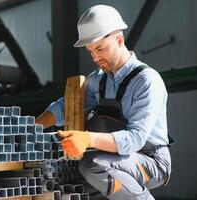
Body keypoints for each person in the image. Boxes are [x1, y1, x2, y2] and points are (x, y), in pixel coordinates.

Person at [36, 4, 171, 200]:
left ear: (119, 40)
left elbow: (135, 138)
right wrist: (33, 126)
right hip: (115, 158)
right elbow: (67, 106)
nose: (96, 57)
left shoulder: (147, 81)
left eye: (100, 48)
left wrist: (87, 139)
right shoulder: (98, 80)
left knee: (93, 165)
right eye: (91, 51)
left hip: (152, 161)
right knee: (69, 179)